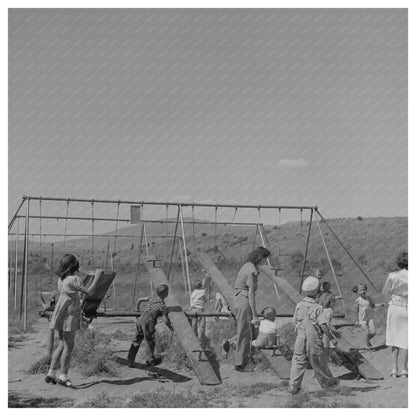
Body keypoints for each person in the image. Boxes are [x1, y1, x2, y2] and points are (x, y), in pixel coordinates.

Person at [45, 254, 91, 387]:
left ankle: (51, 373)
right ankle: (64, 376)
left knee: (61, 345)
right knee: (69, 346)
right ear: (73, 266)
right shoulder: (75, 279)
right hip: (70, 316)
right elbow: (89, 292)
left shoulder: (61, 279)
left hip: (61, 315)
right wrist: (97, 282)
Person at [288, 276, 339, 394]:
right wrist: (331, 338)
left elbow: (294, 321)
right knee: (318, 361)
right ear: (318, 292)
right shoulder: (318, 308)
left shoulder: (299, 305)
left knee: (298, 360)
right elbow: (324, 325)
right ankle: (328, 384)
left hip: (300, 337)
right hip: (314, 338)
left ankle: (293, 386)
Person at [233, 246, 271, 372]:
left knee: (245, 330)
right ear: (260, 258)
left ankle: (237, 349)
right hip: (245, 300)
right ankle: (240, 364)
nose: (265, 262)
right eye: (265, 259)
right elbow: (251, 295)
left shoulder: (246, 266)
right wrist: (255, 314)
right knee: (245, 333)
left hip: (238, 299)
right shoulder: (252, 271)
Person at [127, 284, 173, 367]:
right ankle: (150, 361)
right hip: (148, 322)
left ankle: (130, 360)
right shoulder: (162, 305)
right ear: (165, 294)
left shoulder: (152, 298)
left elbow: (140, 299)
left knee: (136, 339)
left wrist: (136, 308)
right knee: (150, 341)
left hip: (141, 319)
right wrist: (171, 328)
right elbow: (165, 320)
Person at [382, 251, 408, 378]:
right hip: (408, 307)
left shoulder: (392, 275)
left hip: (395, 306)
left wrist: (389, 301)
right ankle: (404, 369)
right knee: (406, 338)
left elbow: (384, 292)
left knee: (394, 338)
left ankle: (394, 368)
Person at [354, 283, 376, 348]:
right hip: (362, 319)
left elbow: (372, 305)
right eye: (360, 290)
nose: (363, 291)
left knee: (373, 332)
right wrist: (357, 320)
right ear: (357, 292)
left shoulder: (368, 298)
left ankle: (366, 340)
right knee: (367, 333)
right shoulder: (357, 300)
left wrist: (381, 304)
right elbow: (356, 311)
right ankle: (368, 345)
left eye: (364, 289)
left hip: (370, 318)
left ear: (366, 290)